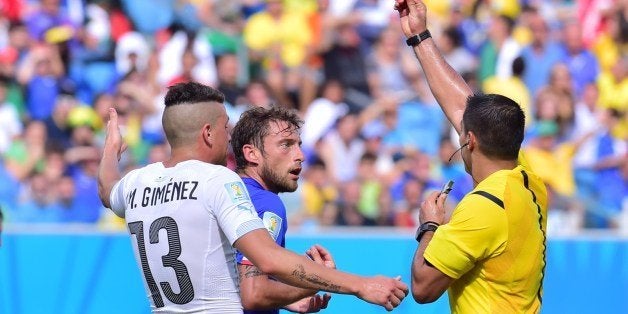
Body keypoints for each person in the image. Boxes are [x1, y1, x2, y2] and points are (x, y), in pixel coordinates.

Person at [97, 82, 408, 313]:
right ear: (208, 133)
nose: (229, 137)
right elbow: (263, 270)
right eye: (225, 128)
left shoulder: (137, 182)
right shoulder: (218, 180)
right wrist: (360, 284)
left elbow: (107, 190)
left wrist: (110, 152)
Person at [395, 1, 548, 313]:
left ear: (470, 140)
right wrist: (419, 36)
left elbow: (423, 288)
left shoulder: (483, 208)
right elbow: (463, 106)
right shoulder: (528, 180)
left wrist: (430, 226)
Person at [231, 106, 333, 313]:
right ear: (252, 153)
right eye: (286, 145)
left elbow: (229, 278)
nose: (301, 156)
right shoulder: (267, 204)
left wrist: (285, 300)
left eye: (299, 145)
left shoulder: (222, 195)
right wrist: (317, 279)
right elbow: (253, 293)